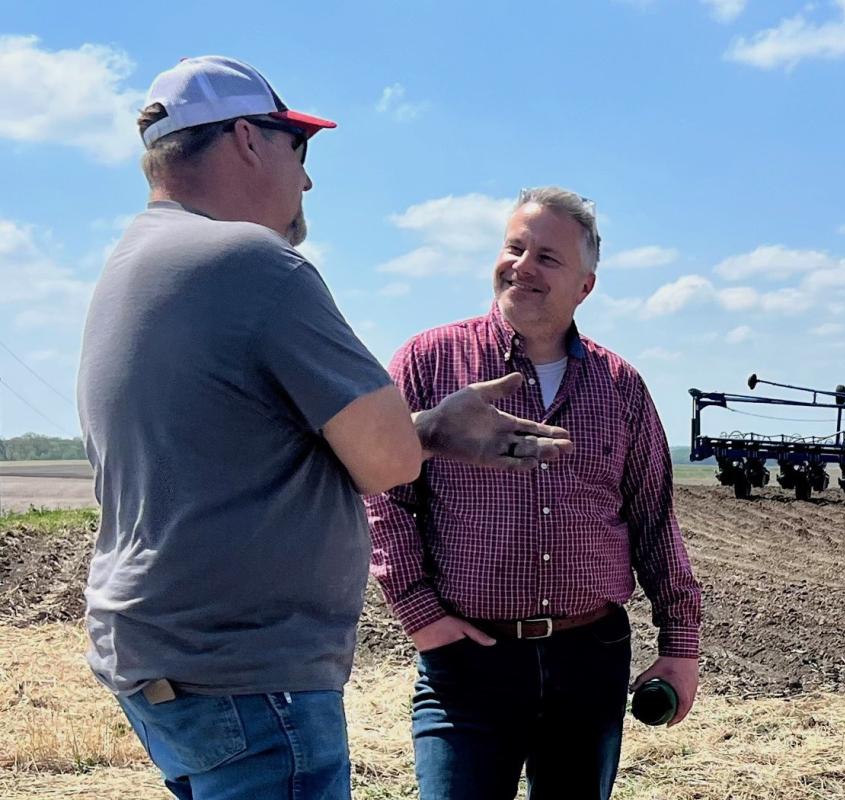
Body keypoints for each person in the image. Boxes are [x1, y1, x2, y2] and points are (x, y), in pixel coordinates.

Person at [76, 55, 572, 799]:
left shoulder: (132, 266)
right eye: (297, 149)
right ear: (247, 138)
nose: (306, 180)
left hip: (164, 666)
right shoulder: (254, 263)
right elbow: (385, 461)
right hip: (250, 680)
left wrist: (423, 429)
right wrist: (430, 432)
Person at [366, 187, 702, 799]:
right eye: (514, 247)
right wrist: (423, 617)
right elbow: (384, 498)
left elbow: (655, 519)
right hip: (468, 659)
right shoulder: (427, 362)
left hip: (590, 657)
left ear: (585, 286)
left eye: (547, 257)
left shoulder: (619, 385)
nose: (522, 265)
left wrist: (680, 647)